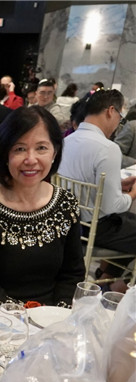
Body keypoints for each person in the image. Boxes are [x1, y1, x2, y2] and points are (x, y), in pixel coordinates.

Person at [0, 106, 85, 306]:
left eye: (41, 148)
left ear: (55, 152)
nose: (31, 160)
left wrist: (55, 312)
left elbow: (73, 273)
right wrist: (18, 312)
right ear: (5, 154)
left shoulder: (66, 204)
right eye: (19, 149)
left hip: (52, 315)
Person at [59, 89, 136, 291]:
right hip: (92, 228)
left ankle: (106, 277)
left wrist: (118, 186)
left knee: (130, 222)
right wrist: (133, 194)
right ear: (111, 111)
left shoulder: (67, 141)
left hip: (68, 221)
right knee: (127, 219)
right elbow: (112, 206)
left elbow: (85, 183)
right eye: (120, 117)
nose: (118, 123)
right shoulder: (108, 148)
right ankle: (121, 287)